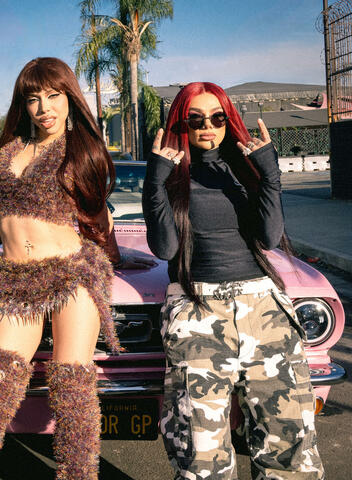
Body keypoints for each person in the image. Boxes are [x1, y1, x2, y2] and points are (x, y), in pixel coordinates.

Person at [0, 57, 153, 480]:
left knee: (71, 387)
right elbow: (6, 224)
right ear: (23, 104)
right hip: (15, 279)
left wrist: (117, 258)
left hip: (72, 274)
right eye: (33, 98)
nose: (44, 107)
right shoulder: (6, 153)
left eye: (54, 96)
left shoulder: (81, 151)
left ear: (70, 99)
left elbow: (97, 217)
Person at [142, 82, 324, 480]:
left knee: (289, 443)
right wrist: (154, 182)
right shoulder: (171, 177)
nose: (207, 126)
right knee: (201, 454)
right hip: (197, 311)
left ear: (229, 120)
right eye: (195, 119)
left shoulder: (245, 169)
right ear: (180, 124)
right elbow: (166, 248)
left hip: (264, 310)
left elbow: (270, 237)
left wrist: (270, 174)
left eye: (217, 117)